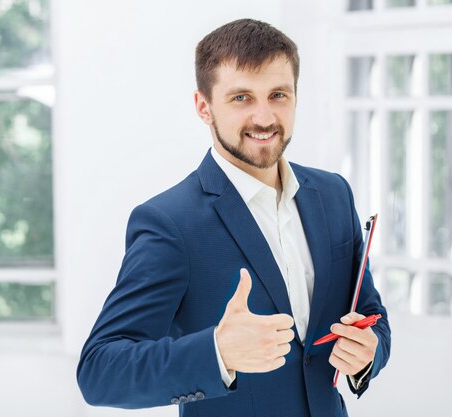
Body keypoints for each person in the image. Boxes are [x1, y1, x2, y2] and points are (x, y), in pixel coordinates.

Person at [76, 18, 391, 417]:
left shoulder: (333, 195)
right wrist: (217, 352)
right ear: (203, 107)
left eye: (278, 94)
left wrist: (369, 354)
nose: (264, 117)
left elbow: (370, 316)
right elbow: (100, 371)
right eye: (241, 98)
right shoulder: (169, 223)